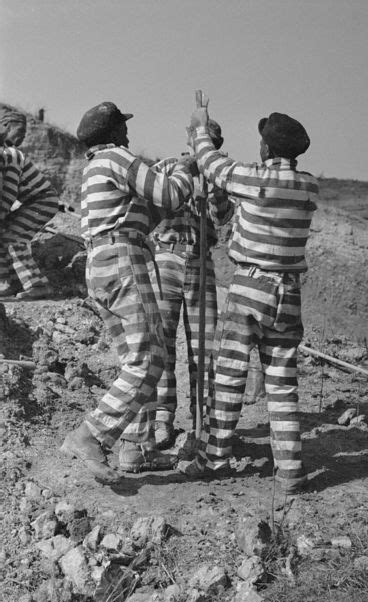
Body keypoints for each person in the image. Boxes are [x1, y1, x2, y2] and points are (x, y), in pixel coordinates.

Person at [180, 106, 319, 495]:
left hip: (250, 289)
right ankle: (290, 470)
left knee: (229, 378)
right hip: (288, 294)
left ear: (265, 146)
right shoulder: (309, 186)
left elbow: (211, 163)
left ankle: (212, 458)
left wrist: (201, 127)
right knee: (282, 382)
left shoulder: (253, 178)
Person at [61, 101, 195, 482]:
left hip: (102, 264)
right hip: (124, 261)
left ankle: (136, 447)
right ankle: (90, 435)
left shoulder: (95, 168)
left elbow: (146, 215)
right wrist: (184, 172)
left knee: (134, 360)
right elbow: (169, 196)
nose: (128, 134)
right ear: (113, 134)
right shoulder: (117, 158)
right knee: (150, 359)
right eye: (123, 127)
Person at [150, 119, 233, 448]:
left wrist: (213, 182)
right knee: (162, 342)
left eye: (209, 141)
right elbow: (156, 202)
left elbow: (221, 216)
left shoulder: (220, 175)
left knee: (204, 345)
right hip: (167, 256)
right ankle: (161, 418)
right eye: (199, 139)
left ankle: (202, 420)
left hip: (200, 261)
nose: (202, 145)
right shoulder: (168, 167)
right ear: (189, 139)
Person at [0, 109, 58, 299]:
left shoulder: (12, 155)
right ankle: (10, 282)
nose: (23, 137)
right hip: (34, 202)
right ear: (6, 126)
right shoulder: (7, 153)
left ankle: (38, 284)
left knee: (13, 237)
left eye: (25, 134)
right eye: (20, 132)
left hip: (42, 201)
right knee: (4, 234)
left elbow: (9, 192)